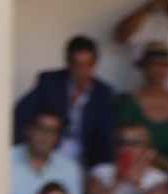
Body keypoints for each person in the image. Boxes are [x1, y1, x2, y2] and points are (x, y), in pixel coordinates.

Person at [14, 34, 116, 171]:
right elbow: (20, 113)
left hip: (85, 161)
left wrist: (101, 169)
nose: (82, 71)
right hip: (48, 153)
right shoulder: (50, 82)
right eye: (77, 65)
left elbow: (105, 137)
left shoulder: (103, 93)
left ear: (94, 65)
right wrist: (25, 151)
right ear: (68, 64)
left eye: (87, 65)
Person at [115, 41, 168, 178]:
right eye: (155, 65)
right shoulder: (128, 101)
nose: (160, 70)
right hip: (138, 170)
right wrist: (167, 165)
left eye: (165, 65)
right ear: (144, 68)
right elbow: (128, 143)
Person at [11, 110, 84, 194]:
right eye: (41, 129)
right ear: (28, 130)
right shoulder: (4, 161)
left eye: (52, 131)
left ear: (58, 137)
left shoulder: (69, 169)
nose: (45, 136)